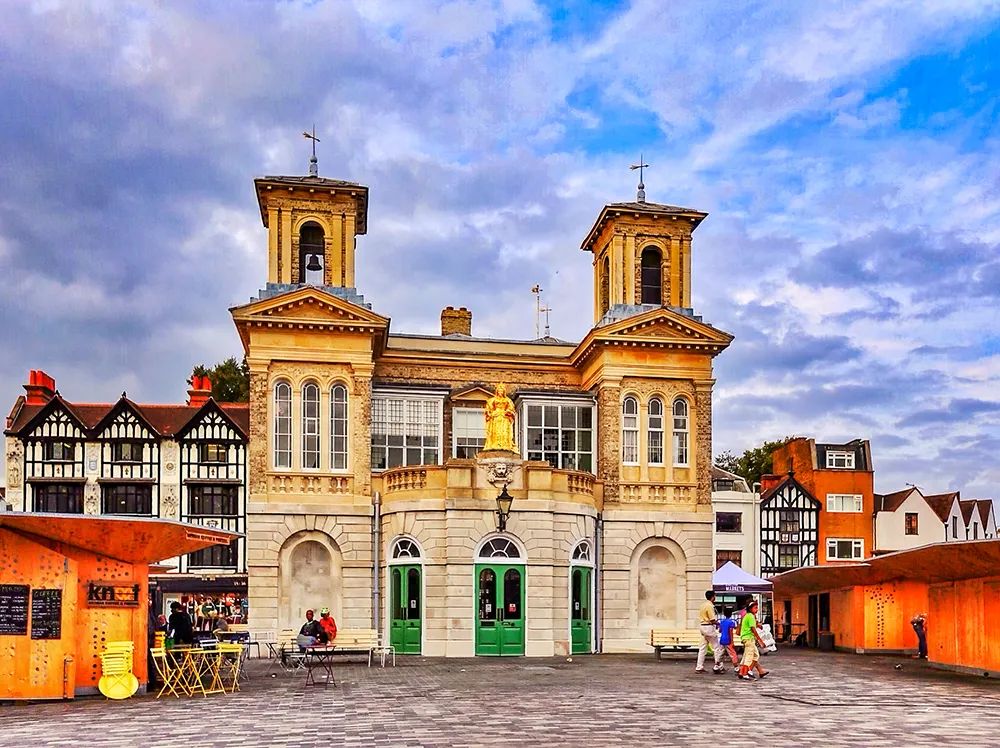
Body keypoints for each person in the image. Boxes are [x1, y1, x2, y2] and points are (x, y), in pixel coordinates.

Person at [737, 600, 769, 681]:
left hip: (747, 638)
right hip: (749, 638)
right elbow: (753, 629)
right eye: (755, 608)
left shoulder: (747, 616)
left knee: (755, 656)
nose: (757, 609)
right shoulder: (750, 616)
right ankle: (746, 673)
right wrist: (760, 640)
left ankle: (744, 672)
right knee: (749, 657)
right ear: (750, 608)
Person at [696, 590, 725, 674]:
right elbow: (712, 620)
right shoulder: (710, 606)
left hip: (702, 626)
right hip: (708, 627)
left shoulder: (703, 605)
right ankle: (718, 666)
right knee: (717, 647)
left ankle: (699, 666)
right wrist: (719, 624)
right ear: (712, 597)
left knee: (702, 648)